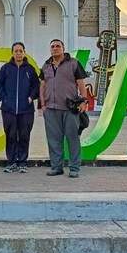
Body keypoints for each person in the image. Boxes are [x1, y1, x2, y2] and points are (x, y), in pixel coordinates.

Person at [39, 39, 88, 179]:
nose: (55, 49)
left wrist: (84, 101)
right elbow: (42, 86)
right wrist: (43, 105)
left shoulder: (73, 63)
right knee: (54, 140)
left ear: (63, 48)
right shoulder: (46, 66)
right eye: (52, 47)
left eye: (57, 46)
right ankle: (56, 167)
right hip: (51, 109)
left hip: (70, 109)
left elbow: (81, 85)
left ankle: (74, 168)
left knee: (72, 138)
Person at [0, 42, 40, 174]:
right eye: (16, 51)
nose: (18, 53)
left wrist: (31, 97)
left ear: (24, 52)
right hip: (8, 109)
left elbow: (36, 86)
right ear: (12, 53)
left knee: (24, 136)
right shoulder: (6, 68)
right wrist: (5, 98)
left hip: (26, 109)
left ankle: (22, 162)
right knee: (11, 136)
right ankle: (11, 162)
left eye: (20, 51)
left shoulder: (30, 69)